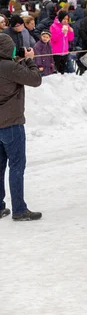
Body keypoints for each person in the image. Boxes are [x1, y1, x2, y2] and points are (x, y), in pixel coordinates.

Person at [0, 34, 42, 221]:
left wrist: (17, 60)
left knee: (0, 166)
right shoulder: (10, 67)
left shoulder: (8, 66)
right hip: (11, 123)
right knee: (17, 166)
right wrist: (30, 61)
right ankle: (19, 209)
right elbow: (35, 79)